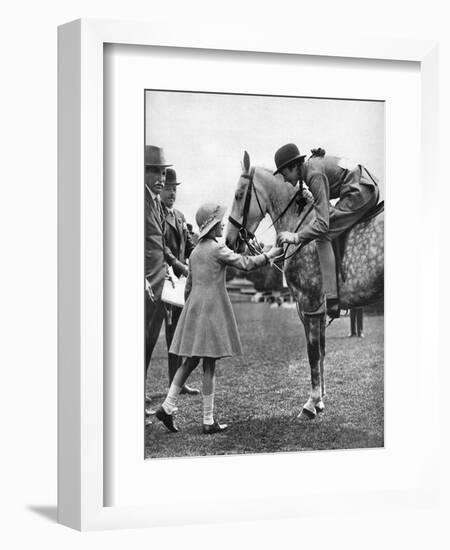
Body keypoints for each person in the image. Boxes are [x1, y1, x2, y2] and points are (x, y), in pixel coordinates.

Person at [155, 203, 282, 434]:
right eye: (220, 222)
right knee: (209, 365)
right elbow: (245, 263)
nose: (223, 225)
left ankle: (167, 405)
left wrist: (190, 311)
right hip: (212, 311)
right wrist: (269, 255)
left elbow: (189, 287)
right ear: (211, 226)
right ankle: (207, 420)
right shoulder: (217, 248)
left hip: (194, 308)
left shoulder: (194, 253)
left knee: (190, 361)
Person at [274, 144, 379, 318]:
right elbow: (326, 201)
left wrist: (296, 236)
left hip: (360, 193)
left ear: (294, 167)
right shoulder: (313, 166)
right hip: (365, 187)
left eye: (285, 174)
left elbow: (322, 224)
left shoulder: (313, 174)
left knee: (323, 236)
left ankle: (332, 298)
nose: (285, 180)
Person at [144, 146, 189, 416]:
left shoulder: (159, 205)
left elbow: (160, 243)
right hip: (152, 283)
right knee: (144, 340)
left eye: (164, 173)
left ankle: (172, 384)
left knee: (162, 337)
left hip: (167, 282)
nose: (161, 180)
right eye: (156, 173)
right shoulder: (142, 200)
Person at [160, 168, 199, 395]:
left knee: (181, 332)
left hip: (182, 280)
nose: (171, 193)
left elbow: (190, 245)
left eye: (174, 189)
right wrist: (179, 265)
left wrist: (200, 256)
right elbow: (162, 248)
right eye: (167, 188)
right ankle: (172, 382)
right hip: (168, 279)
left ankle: (178, 381)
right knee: (171, 331)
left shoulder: (181, 217)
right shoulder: (158, 215)